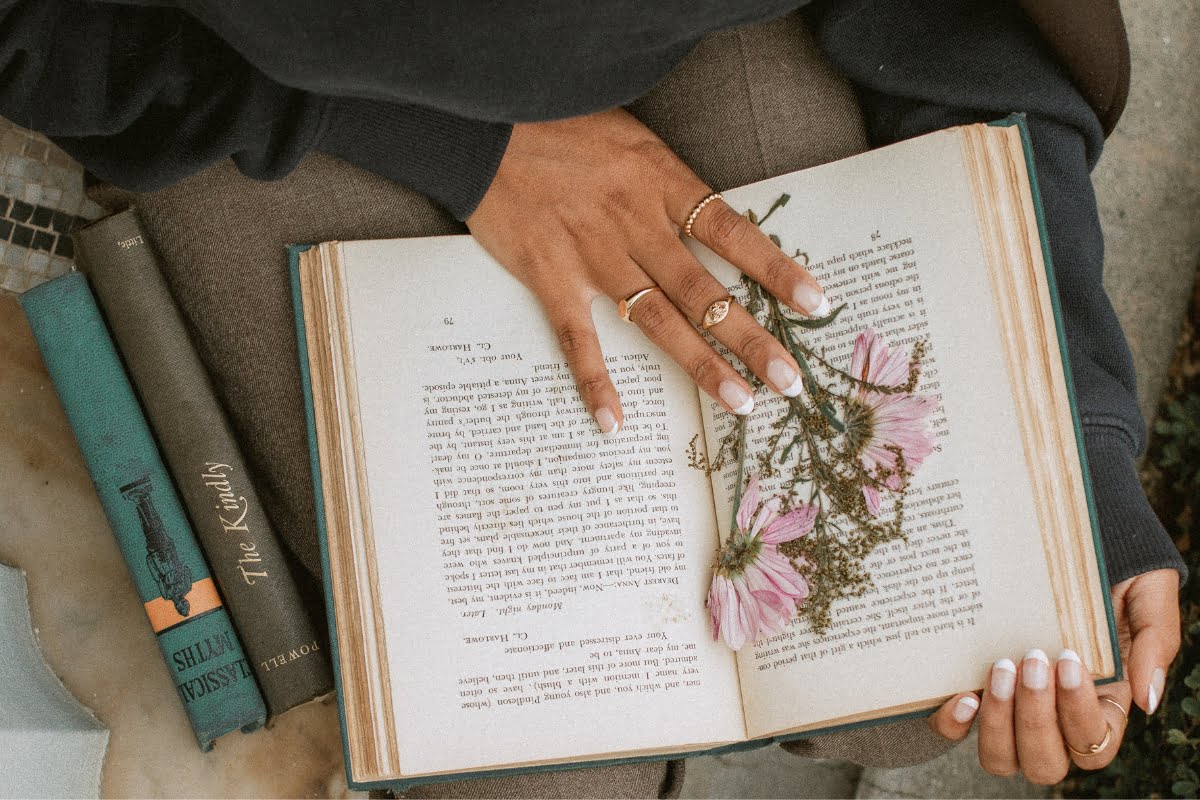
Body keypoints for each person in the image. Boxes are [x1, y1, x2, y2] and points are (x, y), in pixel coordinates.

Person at [6, 0, 1185, 790]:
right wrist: (489, 154)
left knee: (906, 671)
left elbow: (969, 28)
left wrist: (1073, 451)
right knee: (545, 768)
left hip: (709, 31)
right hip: (273, 74)